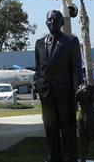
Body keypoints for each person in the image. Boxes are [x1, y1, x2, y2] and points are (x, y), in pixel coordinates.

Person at [34, 10, 83, 162]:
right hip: (46, 93)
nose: (52, 22)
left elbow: (76, 67)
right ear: (46, 22)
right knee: (50, 126)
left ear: (62, 23)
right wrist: (38, 84)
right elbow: (38, 67)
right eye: (49, 19)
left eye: (56, 19)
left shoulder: (71, 41)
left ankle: (70, 156)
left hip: (65, 92)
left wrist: (77, 89)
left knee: (67, 126)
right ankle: (53, 155)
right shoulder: (39, 43)